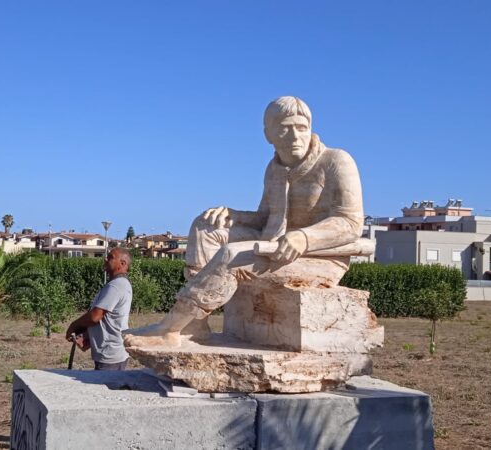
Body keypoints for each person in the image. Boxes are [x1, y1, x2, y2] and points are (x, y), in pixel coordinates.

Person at [124, 96, 364, 347]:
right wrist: (234, 215)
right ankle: (194, 324)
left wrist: (304, 237)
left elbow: (350, 223)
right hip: (272, 247)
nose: (295, 136)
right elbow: (265, 218)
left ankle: (171, 327)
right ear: (269, 134)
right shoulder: (274, 169)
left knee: (231, 254)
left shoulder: (336, 161)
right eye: (285, 127)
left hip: (318, 257)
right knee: (205, 226)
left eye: (301, 127)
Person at [66, 247, 133, 370]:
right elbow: (108, 320)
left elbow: (95, 316)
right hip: (111, 352)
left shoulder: (116, 286)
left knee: (106, 388)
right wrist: (87, 335)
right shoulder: (120, 284)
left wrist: (74, 325)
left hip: (110, 356)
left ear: (122, 263)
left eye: (110, 257)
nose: (105, 259)